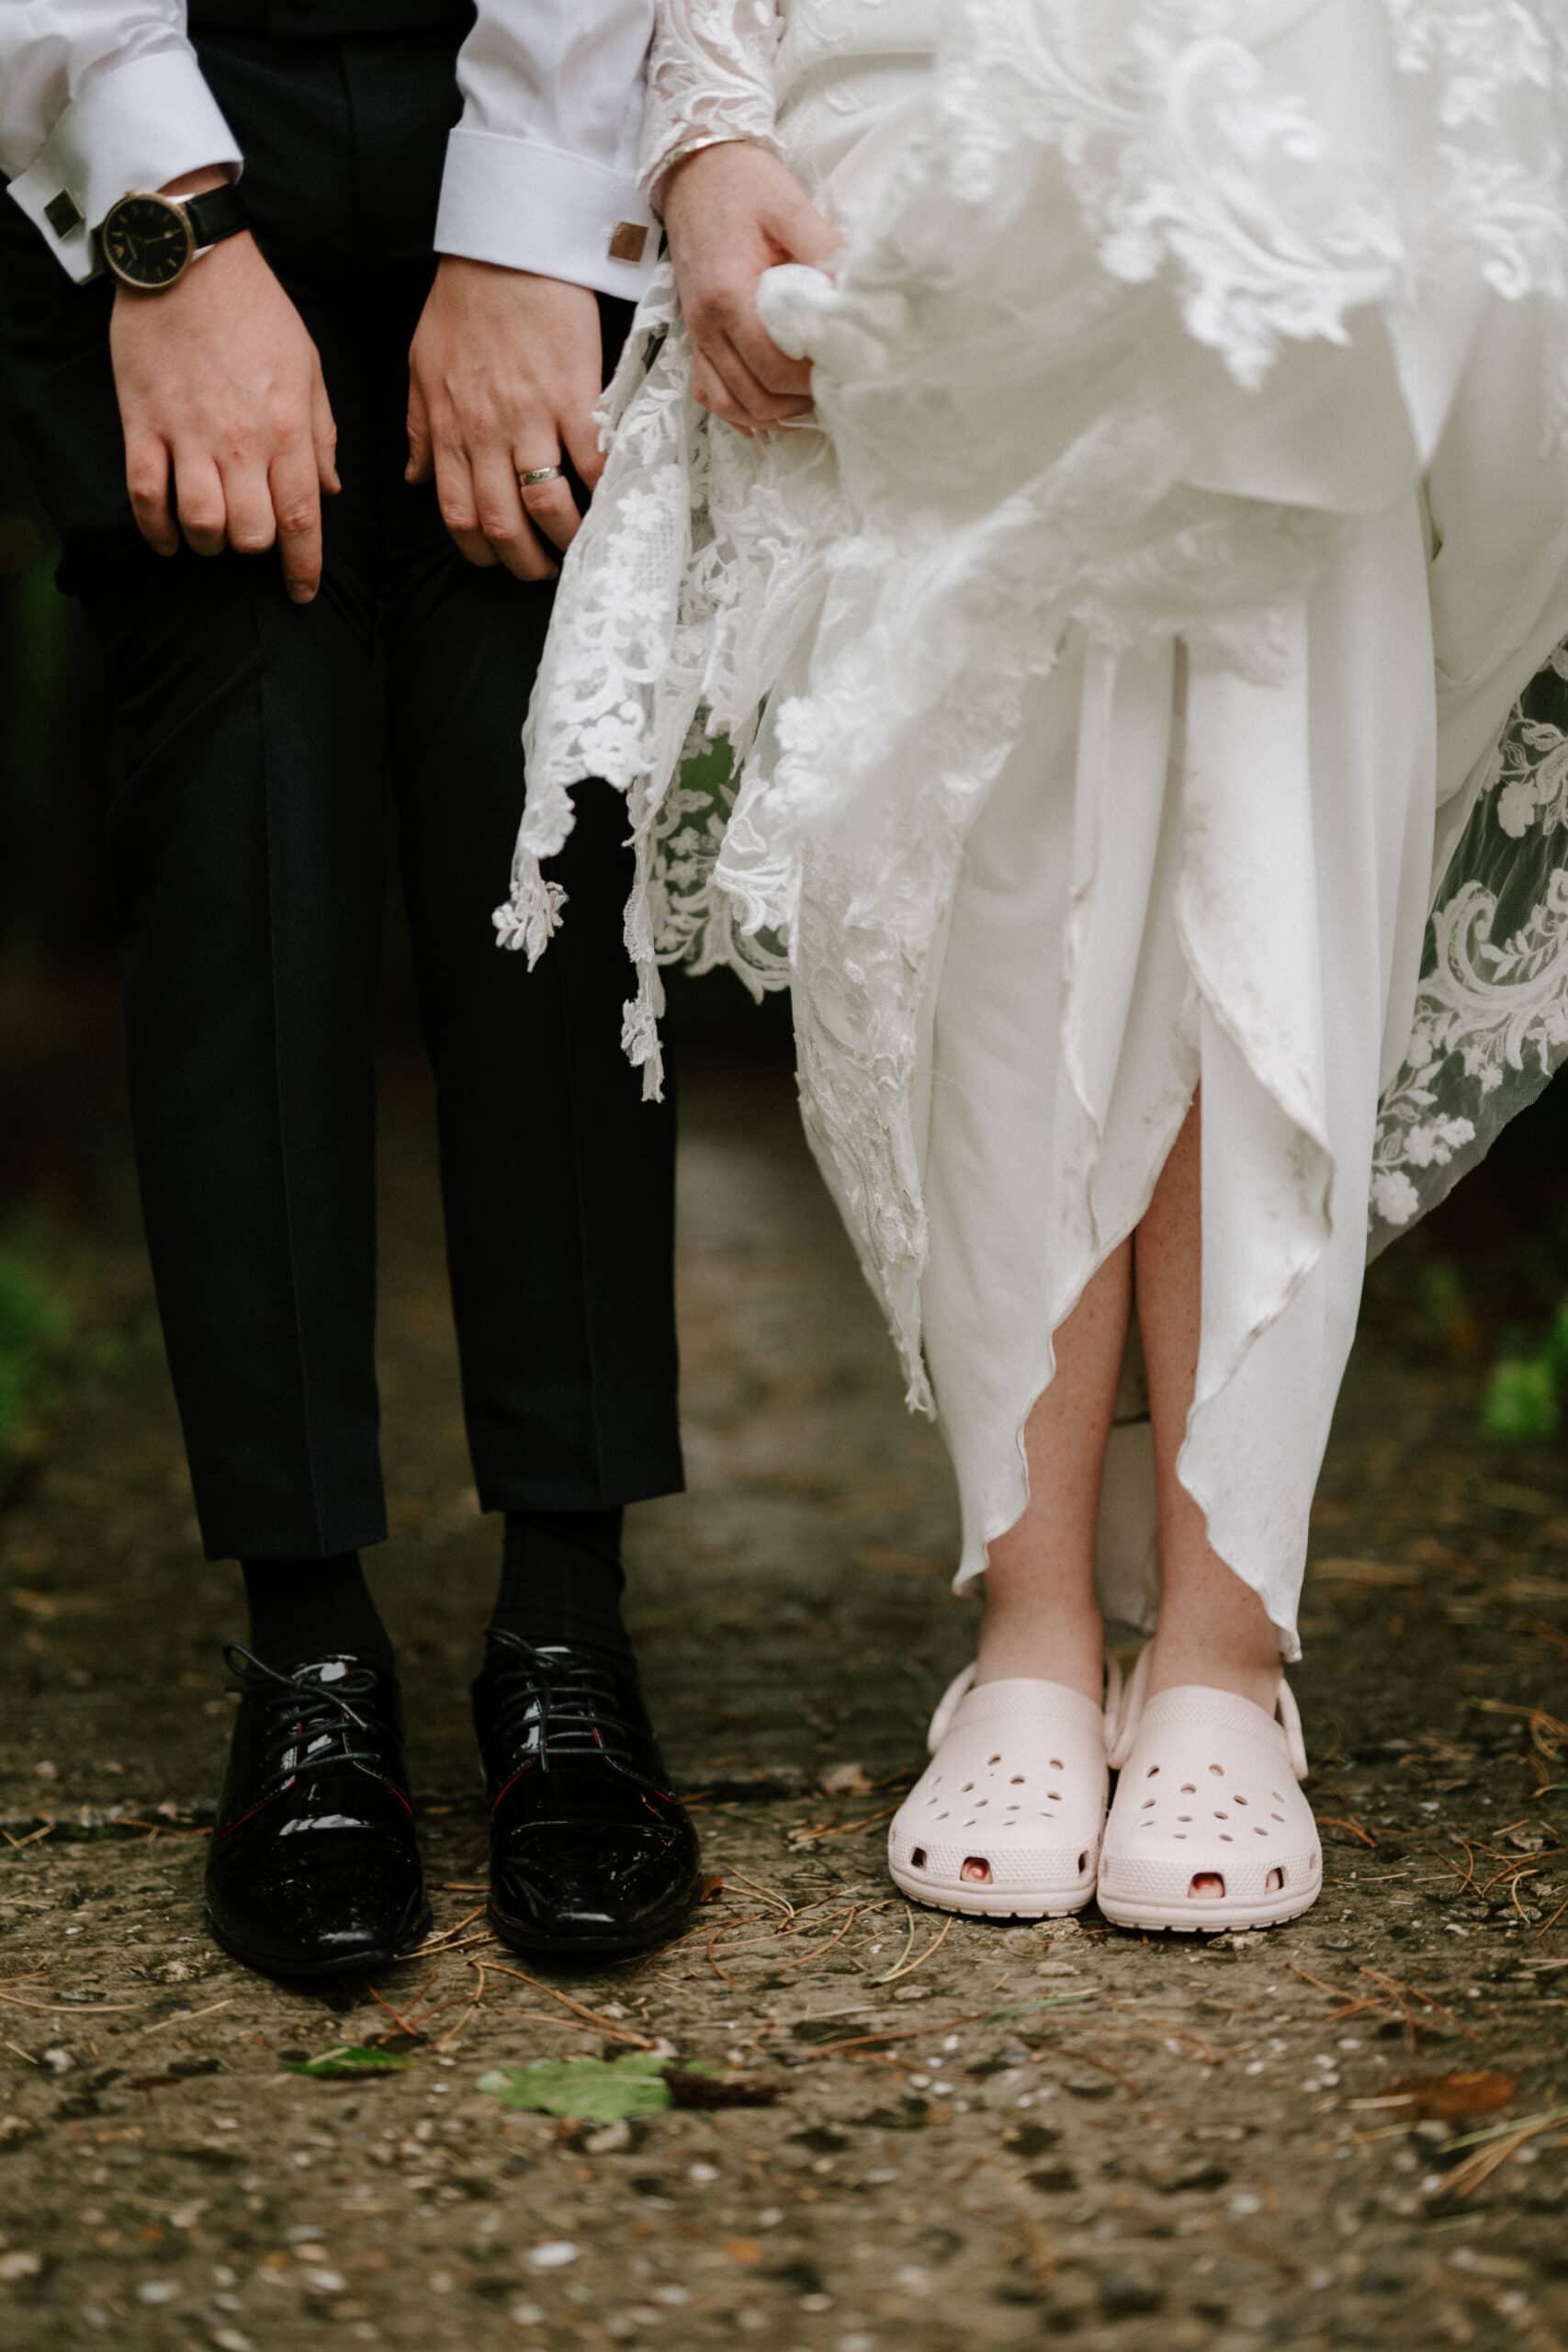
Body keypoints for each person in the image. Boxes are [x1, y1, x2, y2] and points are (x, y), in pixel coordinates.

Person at [502, 0, 1568, 1932]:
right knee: (994, 875)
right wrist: (707, 120)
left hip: (1308, 118)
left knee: (1263, 814)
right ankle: (1029, 1617)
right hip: (930, 127)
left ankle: (1225, 1641)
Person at [0, 0, 705, 1976]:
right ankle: (304, 1651)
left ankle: (565, 1632)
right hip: (141, 84)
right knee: (241, 839)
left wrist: (533, 217)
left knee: (544, 832)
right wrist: (159, 214)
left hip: (524, 71)